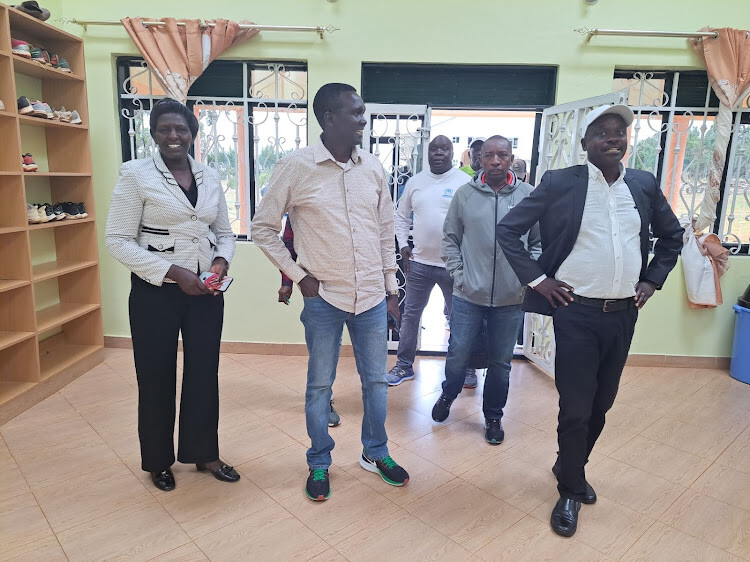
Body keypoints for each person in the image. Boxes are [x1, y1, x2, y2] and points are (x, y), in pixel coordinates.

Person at [497, 104, 683, 537]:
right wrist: (540, 281)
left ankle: (569, 464)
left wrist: (652, 280)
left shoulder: (642, 184)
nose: (613, 139)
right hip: (576, 313)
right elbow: (509, 230)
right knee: (577, 407)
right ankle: (570, 489)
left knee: (602, 404)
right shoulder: (561, 182)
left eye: (619, 132)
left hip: (622, 315)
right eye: (602, 133)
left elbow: (672, 236)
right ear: (585, 144)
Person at [251, 82, 409, 502]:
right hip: (323, 298)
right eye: (355, 113)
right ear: (329, 118)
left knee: (376, 383)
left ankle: (376, 453)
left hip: (371, 297)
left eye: (362, 112)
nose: (363, 120)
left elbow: (385, 232)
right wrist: (297, 275)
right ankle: (319, 460)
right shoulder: (296, 167)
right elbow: (262, 228)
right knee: (320, 386)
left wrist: (391, 288)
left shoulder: (372, 167)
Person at [105, 97, 239, 492]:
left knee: (204, 373)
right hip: (155, 293)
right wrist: (174, 273)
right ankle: (158, 461)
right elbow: (117, 240)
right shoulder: (136, 175)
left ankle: (204, 453)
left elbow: (224, 233)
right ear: (153, 134)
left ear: (193, 133)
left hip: (205, 293)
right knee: (155, 376)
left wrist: (220, 262)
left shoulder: (209, 176)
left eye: (181, 128)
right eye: (164, 129)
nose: (173, 135)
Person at [433, 136, 541, 445]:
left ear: (511, 158)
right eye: (489, 155)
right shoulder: (465, 195)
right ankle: (449, 393)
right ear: (479, 159)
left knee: (501, 363)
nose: (495, 161)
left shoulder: (527, 195)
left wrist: (525, 277)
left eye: (502, 155)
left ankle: (493, 416)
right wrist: (459, 276)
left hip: (510, 298)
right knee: (458, 354)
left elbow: (537, 243)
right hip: (468, 295)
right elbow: (450, 239)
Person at [386, 135, 471, 387]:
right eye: (434, 149)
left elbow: (475, 221)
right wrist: (403, 245)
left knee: (460, 319)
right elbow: (401, 216)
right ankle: (404, 365)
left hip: (454, 265)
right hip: (419, 263)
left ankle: (464, 368)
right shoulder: (416, 182)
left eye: (445, 149)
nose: (439, 153)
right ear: (428, 153)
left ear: (452, 153)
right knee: (411, 316)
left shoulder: (464, 182)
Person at [277, 217, 341, 427]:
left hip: (352, 283)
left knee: (336, 342)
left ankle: (324, 391)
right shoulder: (301, 203)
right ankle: (322, 399)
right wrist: (287, 281)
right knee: (323, 344)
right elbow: (289, 244)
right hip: (316, 285)